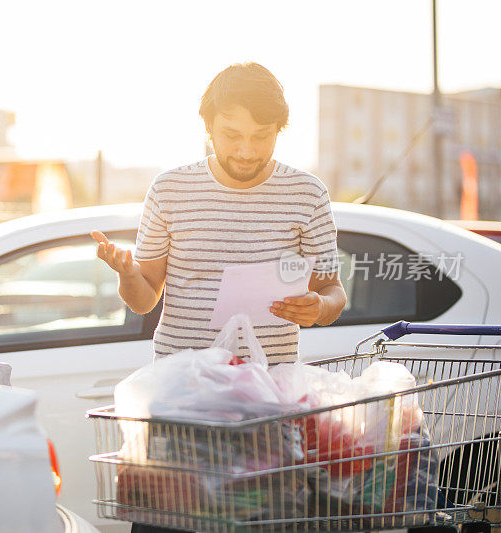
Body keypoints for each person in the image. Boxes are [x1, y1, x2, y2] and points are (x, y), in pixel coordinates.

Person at [91, 59, 348, 533]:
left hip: (265, 408)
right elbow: (145, 299)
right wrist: (128, 273)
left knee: (263, 524)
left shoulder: (307, 194)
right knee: (166, 524)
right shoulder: (170, 190)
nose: (247, 150)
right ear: (207, 126)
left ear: (280, 130)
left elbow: (332, 290)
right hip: (179, 406)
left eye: (263, 135)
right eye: (232, 134)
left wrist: (320, 307)